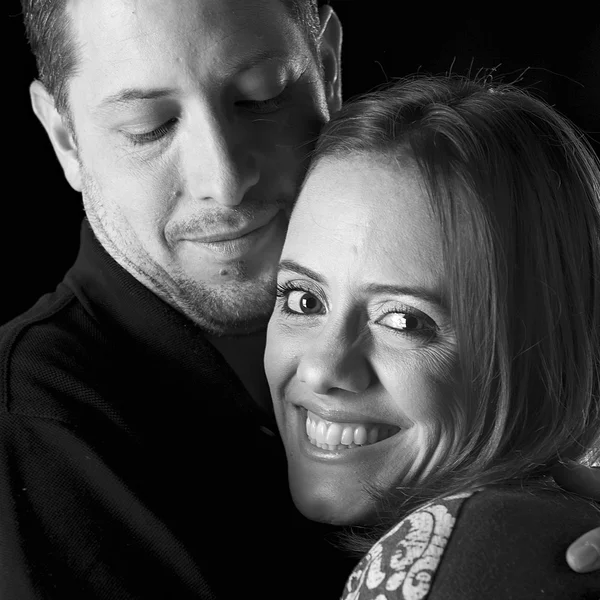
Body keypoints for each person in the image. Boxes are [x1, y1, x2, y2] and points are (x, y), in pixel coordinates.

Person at [0, 1, 597, 598]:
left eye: (260, 98)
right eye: (147, 127)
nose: (225, 180)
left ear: (329, 67)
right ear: (64, 137)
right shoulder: (38, 435)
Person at [264, 75, 600, 599]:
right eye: (304, 300)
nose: (320, 370)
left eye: (403, 321)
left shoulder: (463, 566)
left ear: (543, 351)